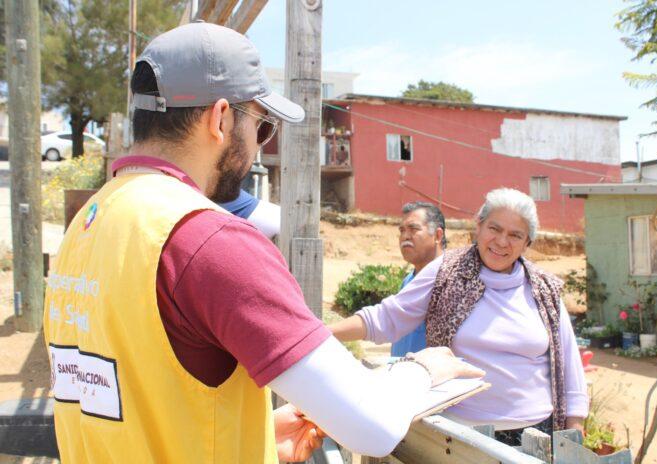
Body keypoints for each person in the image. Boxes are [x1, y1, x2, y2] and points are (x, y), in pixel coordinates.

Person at [43, 22, 483, 463]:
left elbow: (125, 395)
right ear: (220, 118)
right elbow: (374, 427)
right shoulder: (207, 239)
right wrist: (420, 370)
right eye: (262, 126)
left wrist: (254, 437)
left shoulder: (88, 224)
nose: (258, 145)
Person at [330, 188, 588, 446]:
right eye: (494, 229)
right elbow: (387, 317)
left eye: (515, 235)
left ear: (527, 243)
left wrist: (574, 432)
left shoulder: (543, 289)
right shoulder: (446, 272)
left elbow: (568, 362)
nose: (501, 242)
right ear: (479, 226)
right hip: (461, 434)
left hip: (535, 435)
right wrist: (322, 333)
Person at [390, 202, 445, 357]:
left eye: (413, 229)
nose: (405, 236)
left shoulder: (452, 283)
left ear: (438, 236)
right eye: (402, 230)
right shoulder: (408, 281)